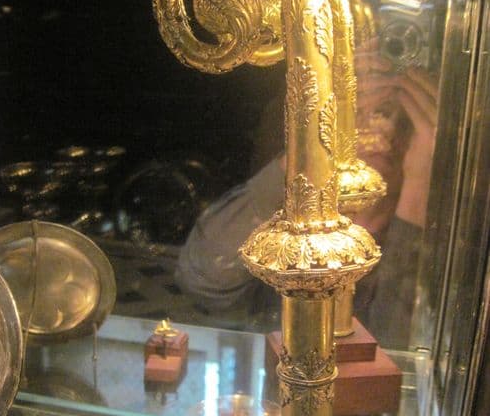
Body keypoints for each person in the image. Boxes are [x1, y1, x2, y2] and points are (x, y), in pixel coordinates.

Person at [175, 37, 438, 349]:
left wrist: (419, 187)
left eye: (402, 118)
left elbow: (397, 355)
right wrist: (310, 142)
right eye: (361, 111)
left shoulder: (443, 244)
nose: (384, 128)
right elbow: (202, 277)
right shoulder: (296, 228)